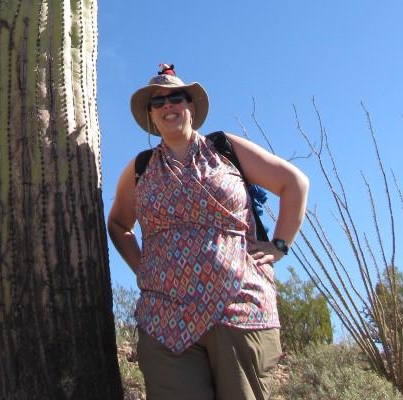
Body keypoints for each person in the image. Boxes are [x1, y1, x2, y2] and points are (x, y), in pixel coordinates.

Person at [107, 63, 309, 400]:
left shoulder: (224, 149)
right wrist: (144, 267)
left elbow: (294, 183)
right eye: (158, 102)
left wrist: (279, 245)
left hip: (239, 310)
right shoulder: (141, 168)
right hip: (164, 319)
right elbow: (117, 224)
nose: (168, 105)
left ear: (192, 106)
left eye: (177, 97)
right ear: (151, 116)